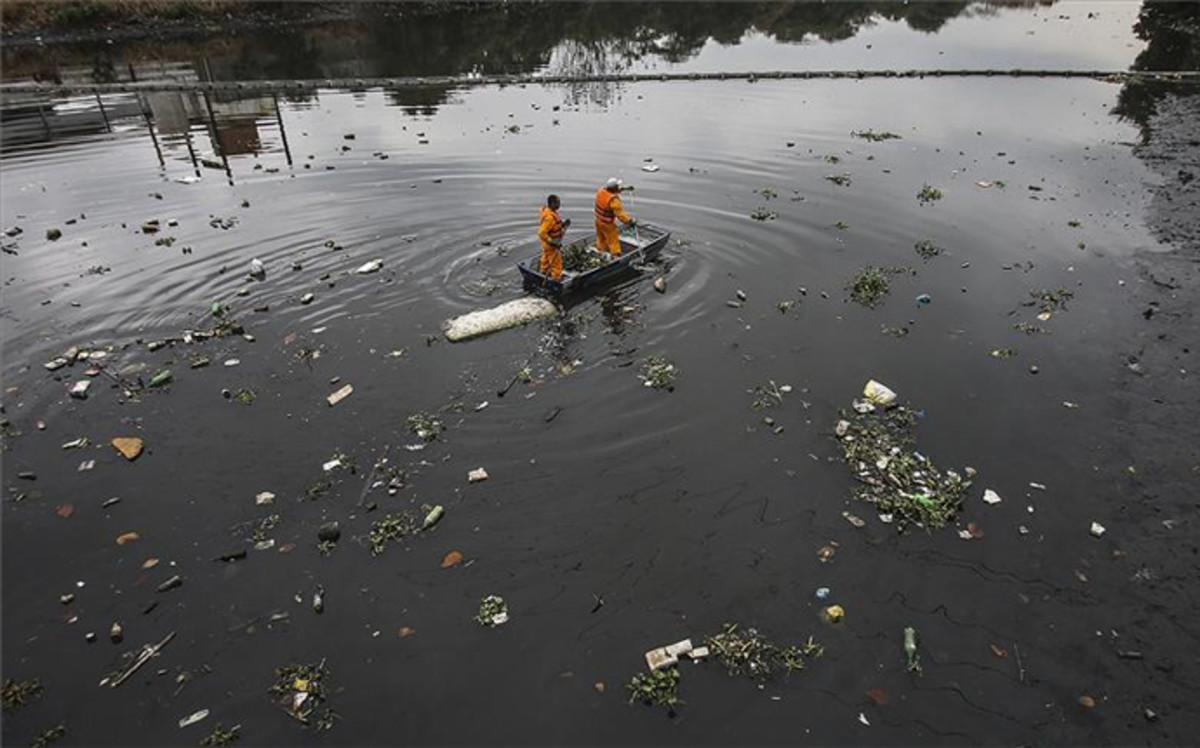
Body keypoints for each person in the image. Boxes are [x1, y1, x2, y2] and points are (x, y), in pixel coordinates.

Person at [594, 177, 635, 256]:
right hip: (608, 225)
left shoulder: (601, 191)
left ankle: (600, 252)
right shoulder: (614, 201)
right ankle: (616, 256)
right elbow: (620, 215)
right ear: (615, 188)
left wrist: (625, 188)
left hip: (598, 221)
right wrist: (630, 221)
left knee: (601, 239)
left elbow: (613, 190)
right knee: (613, 241)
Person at [538, 194, 570, 279]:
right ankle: (556, 279)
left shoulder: (550, 212)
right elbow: (541, 233)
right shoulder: (549, 218)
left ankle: (543, 271)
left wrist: (562, 225)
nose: (559, 205)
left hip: (546, 244)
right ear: (552, 204)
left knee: (546, 257)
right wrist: (552, 241)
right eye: (557, 203)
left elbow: (553, 227)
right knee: (556, 263)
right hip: (551, 244)